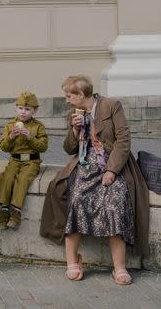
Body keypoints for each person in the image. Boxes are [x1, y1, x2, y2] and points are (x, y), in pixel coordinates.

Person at [40, 75, 149, 286]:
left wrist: (112, 171)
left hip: (113, 164)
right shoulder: (74, 113)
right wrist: (74, 129)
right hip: (85, 163)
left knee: (116, 203)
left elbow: (124, 140)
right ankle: (72, 260)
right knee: (77, 198)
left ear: (81, 94)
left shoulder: (111, 105)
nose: (66, 99)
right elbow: (69, 149)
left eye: (69, 95)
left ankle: (119, 267)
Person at [0, 90, 48, 230]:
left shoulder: (38, 126)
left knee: (23, 178)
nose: (23, 112)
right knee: (6, 177)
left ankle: (15, 212)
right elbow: (3, 147)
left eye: (27, 109)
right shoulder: (10, 126)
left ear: (34, 111)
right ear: (16, 108)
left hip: (31, 161)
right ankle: (3, 210)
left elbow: (43, 147)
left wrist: (31, 137)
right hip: (15, 160)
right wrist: (11, 137)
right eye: (20, 108)